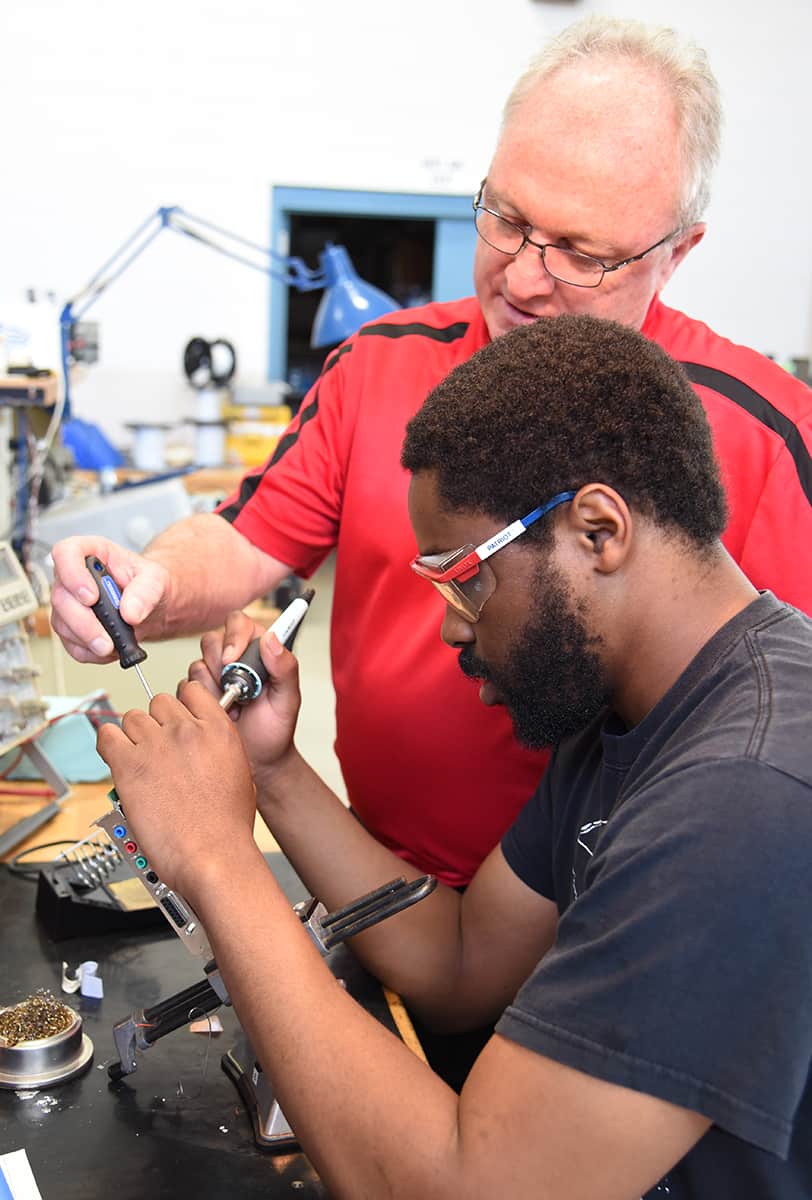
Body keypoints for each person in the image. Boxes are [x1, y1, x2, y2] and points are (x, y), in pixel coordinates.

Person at [51, 15, 812, 889]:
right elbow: (245, 538)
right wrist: (145, 586)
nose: (523, 278)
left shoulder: (765, 434)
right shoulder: (379, 363)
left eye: (578, 252)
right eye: (508, 218)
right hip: (387, 890)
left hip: (620, 925)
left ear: (676, 253)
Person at [96, 315, 812, 1198]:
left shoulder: (747, 793)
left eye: (463, 576)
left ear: (598, 530)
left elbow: (471, 1190)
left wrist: (214, 857)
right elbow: (461, 965)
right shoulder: (634, 716)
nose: (447, 625)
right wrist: (273, 771)